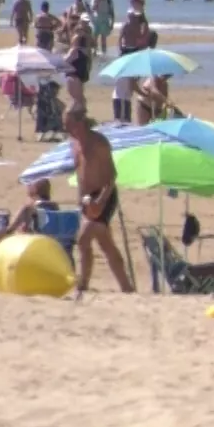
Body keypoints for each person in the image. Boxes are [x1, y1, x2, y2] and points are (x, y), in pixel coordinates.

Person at [64, 109, 133, 295]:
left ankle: (83, 284)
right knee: (105, 243)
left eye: (69, 124)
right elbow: (80, 173)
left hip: (105, 194)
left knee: (84, 238)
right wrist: (81, 199)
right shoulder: (74, 144)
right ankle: (126, 287)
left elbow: (112, 176)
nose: (66, 128)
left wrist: (101, 201)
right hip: (88, 198)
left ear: (80, 123)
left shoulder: (99, 143)